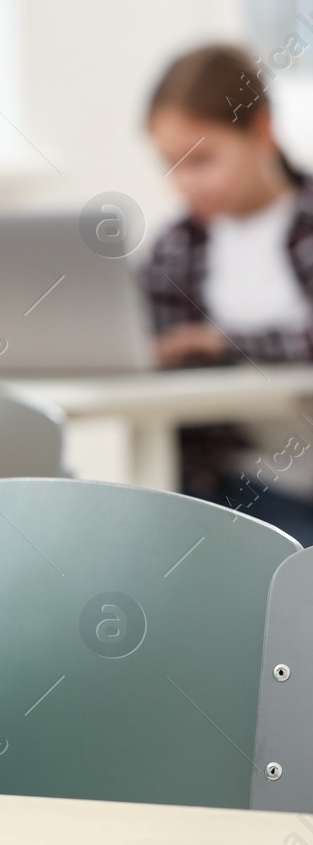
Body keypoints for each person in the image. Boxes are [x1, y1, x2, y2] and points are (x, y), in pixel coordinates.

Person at [143, 43, 313, 544]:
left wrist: (224, 343)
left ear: (261, 131)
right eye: (171, 164)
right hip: (231, 487)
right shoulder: (176, 249)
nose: (186, 183)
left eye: (203, 160)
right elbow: (143, 341)